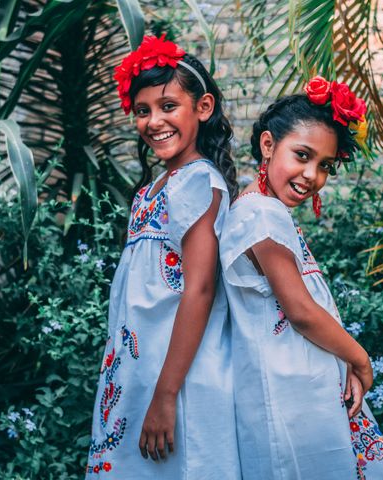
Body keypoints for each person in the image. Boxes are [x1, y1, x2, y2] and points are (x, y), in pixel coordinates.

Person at [220, 76, 383, 479]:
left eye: (324, 165)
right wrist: (359, 359)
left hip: (301, 385)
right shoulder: (261, 214)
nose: (311, 175)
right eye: (302, 155)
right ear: (268, 145)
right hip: (289, 393)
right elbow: (301, 310)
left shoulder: (264, 210)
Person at [85, 35, 240, 479]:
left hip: (177, 377)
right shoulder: (151, 192)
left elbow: (200, 289)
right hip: (140, 370)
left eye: (168, 106)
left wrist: (166, 394)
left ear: (203, 108)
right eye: (143, 110)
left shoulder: (197, 183)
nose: (154, 121)